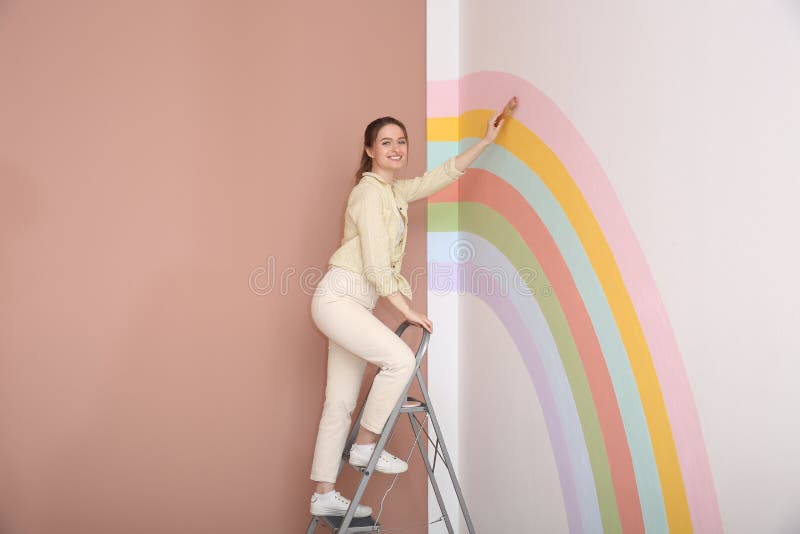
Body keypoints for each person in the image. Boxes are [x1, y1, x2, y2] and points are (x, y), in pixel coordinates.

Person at [309, 106, 509, 518]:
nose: (396, 148)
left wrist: (485, 143)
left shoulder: (394, 192)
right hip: (339, 296)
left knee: (340, 402)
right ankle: (366, 446)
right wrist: (409, 310)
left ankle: (323, 492)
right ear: (369, 150)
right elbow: (377, 266)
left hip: (354, 302)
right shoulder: (367, 193)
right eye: (387, 142)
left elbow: (438, 177)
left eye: (401, 141)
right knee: (399, 360)